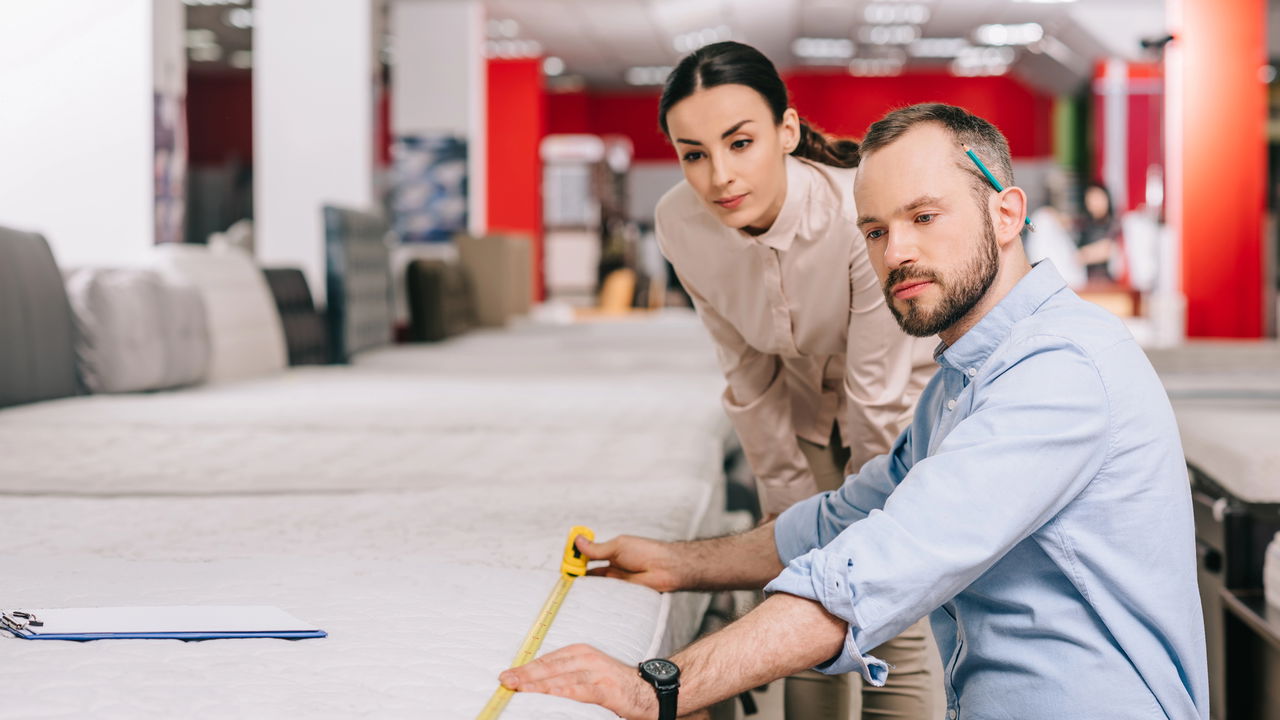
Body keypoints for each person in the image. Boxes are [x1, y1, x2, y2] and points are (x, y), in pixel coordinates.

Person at [498, 103, 1209, 720]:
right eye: (874, 231)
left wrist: (658, 686)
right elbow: (846, 518)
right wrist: (681, 564)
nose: (898, 252)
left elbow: (877, 567)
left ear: (1006, 213)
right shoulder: (965, 379)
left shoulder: (1059, 374)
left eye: (924, 217)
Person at [650, 40, 939, 717]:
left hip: (902, 408)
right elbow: (745, 373)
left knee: (887, 609)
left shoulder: (854, 214)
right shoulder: (680, 225)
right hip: (805, 404)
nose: (720, 176)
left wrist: (874, 524)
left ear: (785, 131)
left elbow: (878, 390)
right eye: (694, 154)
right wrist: (786, 516)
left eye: (740, 142)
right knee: (801, 595)